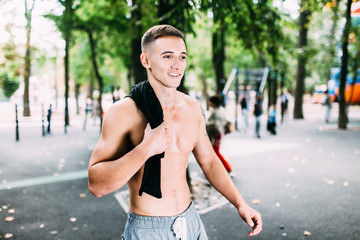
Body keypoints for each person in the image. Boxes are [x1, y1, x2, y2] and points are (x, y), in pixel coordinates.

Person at [88, 25, 262, 239]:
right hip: (148, 229)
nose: (177, 65)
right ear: (146, 60)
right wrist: (146, 149)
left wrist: (240, 203)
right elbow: (96, 185)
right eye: (167, 56)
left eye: (182, 57)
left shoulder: (192, 107)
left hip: (191, 222)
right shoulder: (123, 111)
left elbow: (208, 161)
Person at [206, 95, 232, 173]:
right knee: (215, 152)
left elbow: (215, 125)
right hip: (219, 133)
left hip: (216, 134)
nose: (209, 103)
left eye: (210, 102)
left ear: (213, 103)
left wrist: (206, 125)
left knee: (215, 152)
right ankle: (223, 167)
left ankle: (227, 167)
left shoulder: (215, 112)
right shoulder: (220, 111)